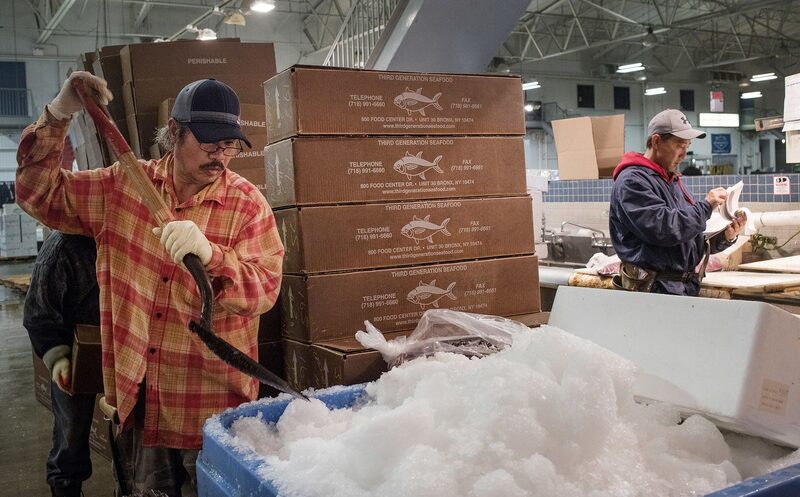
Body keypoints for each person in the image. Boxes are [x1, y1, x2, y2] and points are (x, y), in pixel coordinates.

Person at [16, 72, 284, 496]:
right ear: (174, 132)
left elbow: (264, 290)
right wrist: (58, 114)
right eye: (210, 143)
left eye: (230, 144)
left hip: (209, 405)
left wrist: (214, 257)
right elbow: (37, 194)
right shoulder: (121, 188)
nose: (222, 156)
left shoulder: (248, 205)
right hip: (139, 398)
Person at [609, 109, 745, 296]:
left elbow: (685, 238)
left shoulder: (671, 180)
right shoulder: (633, 181)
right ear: (656, 141)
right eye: (679, 145)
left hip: (681, 288)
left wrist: (725, 237)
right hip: (652, 291)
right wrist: (705, 206)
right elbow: (664, 229)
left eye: (687, 146)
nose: (684, 154)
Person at [24, 232, 99, 497]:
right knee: (71, 435)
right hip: (74, 362)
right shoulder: (60, 250)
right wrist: (59, 360)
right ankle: (65, 487)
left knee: (129, 440)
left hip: (123, 354)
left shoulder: (125, 237)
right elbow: (38, 314)